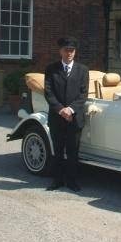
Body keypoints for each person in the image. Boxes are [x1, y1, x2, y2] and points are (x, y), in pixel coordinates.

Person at [44, 37, 89, 192]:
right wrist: (61, 110)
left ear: (75, 52)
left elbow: (83, 94)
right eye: (66, 50)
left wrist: (70, 110)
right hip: (57, 117)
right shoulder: (51, 69)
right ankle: (57, 180)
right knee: (57, 149)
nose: (69, 53)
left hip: (75, 118)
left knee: (72, 151)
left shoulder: (82, 70)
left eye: (72, 50)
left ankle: (72, 181)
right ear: (60, 51)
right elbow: (48, 93)